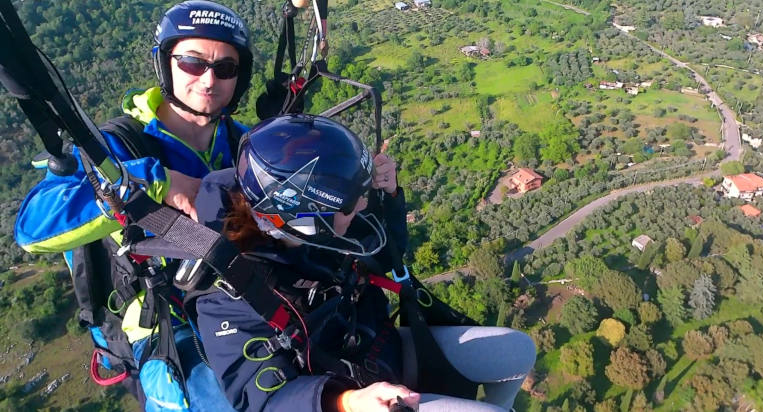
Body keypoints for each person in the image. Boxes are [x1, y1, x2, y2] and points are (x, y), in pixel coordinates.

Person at [191, 114, 536, 412]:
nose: (359, 210)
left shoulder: (317, 228)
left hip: (382, 350)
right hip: (350, 395)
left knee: (519, 350)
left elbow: (386, 255)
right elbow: (261, 400)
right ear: (304, 217)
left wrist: (388, 197)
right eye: (350, 206)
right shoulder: (229, 296)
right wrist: (347, 402)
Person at [13, 1, 253, 409]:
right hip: (163, 317)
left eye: (225, 68)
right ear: (167, 64)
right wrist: (150, 182)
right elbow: (33, 229)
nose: (209, 80)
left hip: (243, 294)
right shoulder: (115, 147)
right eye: (192, 63)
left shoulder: (244, 144)